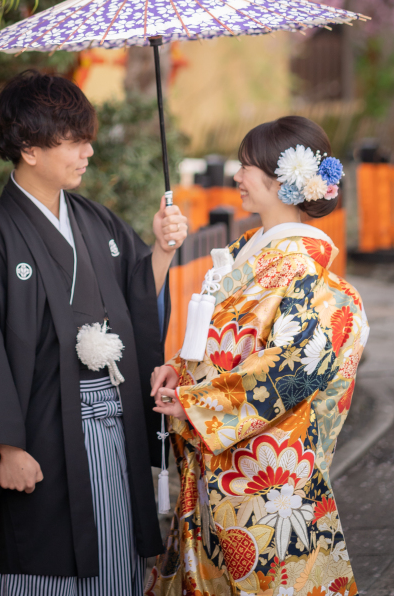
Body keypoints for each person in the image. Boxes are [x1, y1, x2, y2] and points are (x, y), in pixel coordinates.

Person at [0, 69, 189, 596]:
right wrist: (7, 449)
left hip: (110, 428)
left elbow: (136, 295)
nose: (87, 151)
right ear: (29, 148)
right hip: (40, 439)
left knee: (115, 558)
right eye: (73, 140)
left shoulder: (94, 221)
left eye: (86, 138)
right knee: (43, 563)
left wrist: (160, 251)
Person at [146, 115, 368, 596]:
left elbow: (293, 368)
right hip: (221, 458)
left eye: (247, 166)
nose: (237, 176)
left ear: (281, 181)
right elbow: (221, 342)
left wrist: (200, 403)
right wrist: (180, 370)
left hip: (265, 473)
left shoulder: (303, 268)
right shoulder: (250, 251)